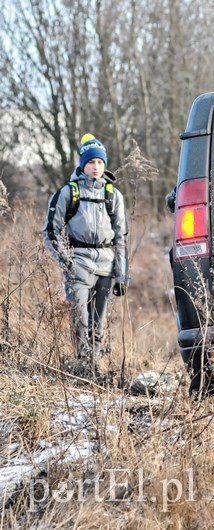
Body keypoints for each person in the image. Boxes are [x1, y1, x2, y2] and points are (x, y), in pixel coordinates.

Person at [43, 133, 128, 377]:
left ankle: (95, 370)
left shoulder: (113, 195)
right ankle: (83, 366)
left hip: (106, 265)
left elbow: (122, 237)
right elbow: (50, 230)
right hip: (78, 263)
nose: (96, 167)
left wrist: (121, 275)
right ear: (82, 164)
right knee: (80, 318)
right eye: (91, 162)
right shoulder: (68, 193)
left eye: (100, 162)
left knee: (97, 323)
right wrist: (67, 263)